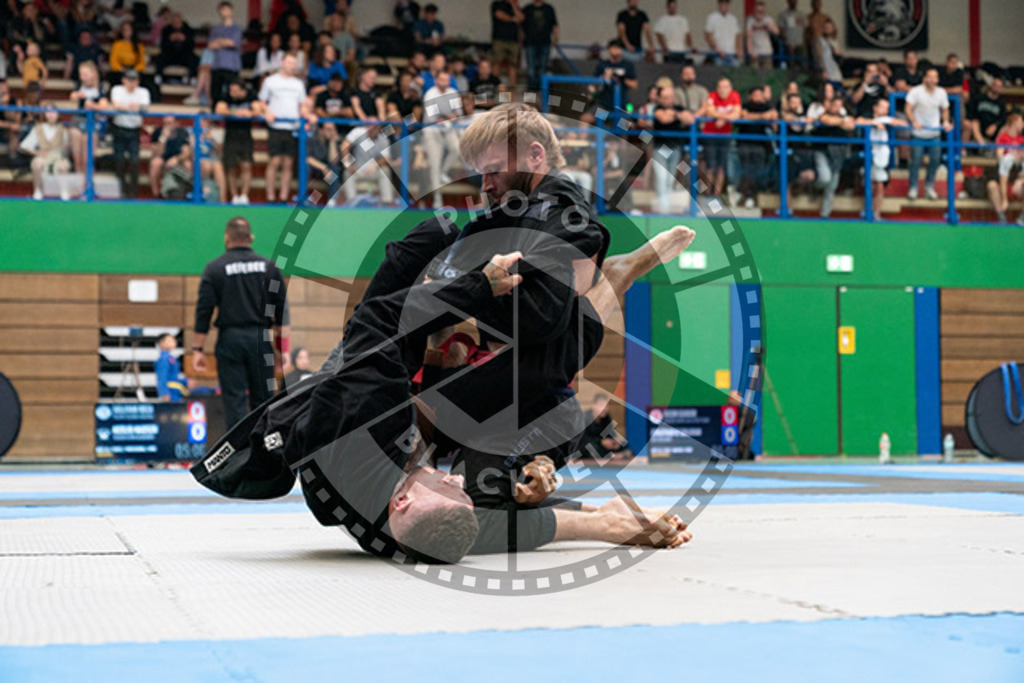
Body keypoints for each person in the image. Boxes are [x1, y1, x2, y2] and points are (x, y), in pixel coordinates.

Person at [193, 234, 693, 562]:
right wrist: (605, 523)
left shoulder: (355, 424)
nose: (454, 478)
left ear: (402, 500)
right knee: (546, 369)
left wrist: (477, 285)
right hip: (415, 418)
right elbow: (507, 526)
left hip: (366, 376)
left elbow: (378, 322)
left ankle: (456, 259)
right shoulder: (422, 522)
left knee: (423, 259)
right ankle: (620, 274)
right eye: (459, 491)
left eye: (447, 487)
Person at [192, 217, 290, 430]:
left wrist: (198, 349)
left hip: (230, 340)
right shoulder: (269, 267)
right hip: (260, 339)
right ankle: (264, 447)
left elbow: (203, 311)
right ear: (251, 238)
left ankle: (239, 449)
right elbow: (281, 313)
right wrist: (282, 350)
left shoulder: (215, 268)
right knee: (264, 401)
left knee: (234, 401)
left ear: (226, 238)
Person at [259, 53, 315, 203]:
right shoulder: (270, 81)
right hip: (275, 126)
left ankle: (283, 196)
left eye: (294, 63)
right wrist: (267, 111)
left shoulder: (298, 84)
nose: (292, 66)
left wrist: (308, 115)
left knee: (288, 163)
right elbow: (262, 101)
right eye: (289, 62)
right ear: (282, 63)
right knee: (274, 161)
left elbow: (302, 106)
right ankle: (270, 196)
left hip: (292, 127)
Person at [905, 68, 952, 201]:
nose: (932, 80)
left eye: (935, 77)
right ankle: (913, 187)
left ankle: (929, 186)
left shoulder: (941, 92)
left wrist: (946, 121)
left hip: (935, 133)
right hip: (918, 133)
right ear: (924, 78)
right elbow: (908, 108)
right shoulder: (916, 91)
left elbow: (945, 110)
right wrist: (913, 121)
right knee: (915, 161)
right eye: (930, 77)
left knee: (935, 160)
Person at [856, 97, 907, 218]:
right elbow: (857, 121)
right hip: (868, 154)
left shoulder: (887, 120)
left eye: (887, 108)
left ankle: (876, 213)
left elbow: (903, 123)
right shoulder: (868, 118)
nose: (885, 110)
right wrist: (874, 123)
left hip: (881, 157)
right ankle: (867, 210)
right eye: (883, 107)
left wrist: (892, 122)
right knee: (868, 183)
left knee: (879, 184)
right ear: (875, 107)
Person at [215, 79, 263, 205]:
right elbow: (219, 109)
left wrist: (249, 113)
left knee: (246, 165)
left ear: (243, 91)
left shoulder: (251, 95)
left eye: (235, 91)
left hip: (245, 136)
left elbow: (258, 110)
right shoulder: (226, 96)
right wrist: (235, 112)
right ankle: (234, 196)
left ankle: (244, 196)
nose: (232, 93)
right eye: (231, 90)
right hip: (230, 136)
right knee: (230, 167)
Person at [421, 71, 463, 206]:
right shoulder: (430, 94)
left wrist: (451, 117)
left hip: (448, 128)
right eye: (442, 80)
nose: (445, 83)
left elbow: (458, 113)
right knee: (434, 165)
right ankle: (437, 198)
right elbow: (433, 118)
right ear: (436, 81)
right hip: (432, 131)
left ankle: (443, 172)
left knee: (456, 148)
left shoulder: (453, 93)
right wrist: (447, 117)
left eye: (447, 80)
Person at [651, 86, 694, 213]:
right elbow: (663, 119)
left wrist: (674, 114)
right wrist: (677, 116)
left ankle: (666, 205)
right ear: (660, 98)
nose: (666, 100)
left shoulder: (679, 108)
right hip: (659, 148)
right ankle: (663, 208)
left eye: (669, 97)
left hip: (675, 148)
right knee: (662, 177)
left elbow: (690, 119)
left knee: (670, 179)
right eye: (664, 98)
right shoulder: (657, 108)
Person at [698, 77, 741, 197]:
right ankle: (707, 194)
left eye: (726, 87)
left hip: (725, 135)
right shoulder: (712, 96)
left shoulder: (735, 96)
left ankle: (716, 195)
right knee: (710, 165)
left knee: (721, 167)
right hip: (709, 135)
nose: (723, 90)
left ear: (730, 88)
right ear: (717, 88)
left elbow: (737, 114)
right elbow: (709, 112)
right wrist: (726, 116)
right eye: (720, 87)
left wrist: (722, 118)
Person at [109, 70, 149, 198]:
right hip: (119, 129)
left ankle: (133, 191)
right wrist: (130, 107)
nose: (132, 83)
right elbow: (116, 105)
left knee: (134, 160)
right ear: (124, 80)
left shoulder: (143, 92)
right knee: (119, 159)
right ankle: (120, 190)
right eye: (129, 80)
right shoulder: (117, 89)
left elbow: (144, 107)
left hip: (134, 130)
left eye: (134, 80)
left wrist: (132, 107)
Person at [813, 95, 855, 217]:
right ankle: (813, 188)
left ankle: (825, 214)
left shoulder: (843, 116)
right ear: (829, 105)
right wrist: (841, 122)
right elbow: (826, 120)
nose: (837, 108)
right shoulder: (823, 115)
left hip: (838, 154)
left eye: (839, 106)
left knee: (832, 185)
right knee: (825, 178)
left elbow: (851, 125)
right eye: (835, 105)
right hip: (822, 151)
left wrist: (841, 121)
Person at [736, 85, 777, 209]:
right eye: (756, 95)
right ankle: (746, 195)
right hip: (744, 143)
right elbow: (743, 115)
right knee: (746, 170)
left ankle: (752, 196)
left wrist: (765, 116)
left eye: (760, 95)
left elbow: (774, 121)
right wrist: (761, 117)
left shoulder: (767, 107)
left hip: (760, 145)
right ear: (750, 96)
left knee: (758, 172)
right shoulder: (744, 105)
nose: (758, 97)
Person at [19, 105, 71, 200]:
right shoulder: (38, 128)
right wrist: (37, 152)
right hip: (43, 157)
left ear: (58, 114)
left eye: (53, 112)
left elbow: (66, 147)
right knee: (37, 163)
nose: (51, 115)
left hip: (57, 157)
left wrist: (63, 152)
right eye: (48, 112)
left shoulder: (63, 129)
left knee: (63, 165)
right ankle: (38, 191)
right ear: (44, 114)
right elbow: (24, 145)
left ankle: (64, 191)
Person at [68, 60, 108, 173]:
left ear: (93, 74)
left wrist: (92, 105)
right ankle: (78, 177)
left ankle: (88, 181)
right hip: (78, 119)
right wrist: (77, 95)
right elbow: (72, 96)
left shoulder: (100, 88)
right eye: (81, 74)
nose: (82, 77)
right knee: (77, 156)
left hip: (92, 121)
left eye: (85, 74)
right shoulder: (79, 85)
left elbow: (104, 106)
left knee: (87, 158)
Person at [340, 124, 395, 205]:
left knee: (385, 170)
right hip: (357, 170)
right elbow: (344, 146)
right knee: (347, 173)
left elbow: (386, 158)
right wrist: (347, 163)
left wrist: (375, 165)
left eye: (375, 127)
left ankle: (386, 202)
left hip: (373, 171)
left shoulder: (383, 140)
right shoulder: (359, 133)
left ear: (379, 128)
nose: (372, 129)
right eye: (370, 126)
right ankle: (352, 202)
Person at [986, 114, 1024, 225]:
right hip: (1003, 172)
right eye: (1021, 121)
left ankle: (1022, 217)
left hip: (1017, 173)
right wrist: (1011, 156)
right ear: (1014, 123)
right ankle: (1002, 217)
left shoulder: (1022, 140)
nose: (1023, 124)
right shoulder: (1003, 137)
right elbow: (1000, 157)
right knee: (992, 185)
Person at [208, 1, 243, 105]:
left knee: (232, 94)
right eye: (222, 10)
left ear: (231, 11)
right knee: (215, 94)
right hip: (217, 65)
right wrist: (225, 42)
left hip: (232, 66)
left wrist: (219, 41)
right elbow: (211, 45)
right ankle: (214, 113)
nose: (225, 12)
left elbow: (232, 43)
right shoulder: (216, 29)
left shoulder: (237, 28)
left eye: (227, 9)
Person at [148, 115, 190, 198]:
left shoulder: (182, 133)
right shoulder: (158, 132)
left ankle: (187, 192)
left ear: (176, 123)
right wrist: (163, 138)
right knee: (155, 163)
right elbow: (156, 153)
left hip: (177, 159)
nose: (167, 126)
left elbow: (186, 153)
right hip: (162, 158)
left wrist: (176, 159)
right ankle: (156, 194)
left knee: (188, 164)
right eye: (165, 123)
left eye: (170, 123)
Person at [521, 0, 558, 92]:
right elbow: (521, 26)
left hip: (545, 42)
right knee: (531, 68)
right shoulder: (527, 9)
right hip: (530, 42)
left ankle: (541, 90)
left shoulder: (549, 9)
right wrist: (521, 38)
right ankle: (532, 89)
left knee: (543, 67)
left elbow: (554, 24)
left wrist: (555, 37)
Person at [580, 394, 631, 460]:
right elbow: (583, 439)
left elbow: (611, 433)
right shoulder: (584, 418)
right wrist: (601, 442)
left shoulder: (606, 418)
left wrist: (614, 442)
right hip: (587, 446)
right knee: (592, 447)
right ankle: (611, 457)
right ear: (594, 406)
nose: (604, 409)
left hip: (602, 446)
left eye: (606, 406)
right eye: (601, 405)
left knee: (624, 444)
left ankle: (612, 456)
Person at [593, 40, 637, 114]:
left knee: (625, 121)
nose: (616, 50)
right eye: (614, 48)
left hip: (622, 105)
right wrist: (604, 77)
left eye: (619, 48)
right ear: (609, 49)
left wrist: (621, 78)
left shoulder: (627, 65)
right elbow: (593, 84)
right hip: (604, 105)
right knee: (587, 118)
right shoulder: (602, 65)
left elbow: (634, 85)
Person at [967, 78, 1007, 146]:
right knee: (974, 123)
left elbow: (1003, 118)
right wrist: (976, 120)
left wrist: (995, 125)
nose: (996, 88)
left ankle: (996, 147)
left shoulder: (1001, 103)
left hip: (993, 129)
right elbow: (971, 113)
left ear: (1001, 89)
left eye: (999, 86)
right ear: (991, 85)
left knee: (1004, 128)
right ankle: (983, 145)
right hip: (979, 125)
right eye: (995, 85)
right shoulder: (979, 98)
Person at [491, 0, 522, 88]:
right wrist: (512, 19)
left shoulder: (516, 7)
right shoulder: (497, 4)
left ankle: (512, 87)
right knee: (497, 63)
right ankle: (494, 85)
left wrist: (513, 5)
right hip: (499, 39)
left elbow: (521, 18)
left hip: (513, 40)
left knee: (512, 65)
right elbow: (499, 15)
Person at [158, 13, 197, 81]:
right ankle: (159, 77)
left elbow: (192, 46)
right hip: (170, 54)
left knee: (193, 59)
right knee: (160, 58)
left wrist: (185, 39)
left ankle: (192, 78)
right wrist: (170, 39)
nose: (176, 23)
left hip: (184, 54)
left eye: (178, 21)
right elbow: (163, 46)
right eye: (175, 22)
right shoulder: (166, 30)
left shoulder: (188, 30)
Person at [704, 0, 741, 67]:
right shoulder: (712, 18)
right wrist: (717, 48)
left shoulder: (733, 19)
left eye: (726, 4)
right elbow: (708, 35)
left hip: (732, 53)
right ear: (719, 5)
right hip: (718, 54)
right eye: (722, 4)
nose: (724, 7)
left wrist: (739, 49)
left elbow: (738, 35)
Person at [745, 1, 778, 69]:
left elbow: (776, 31)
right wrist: (750, 52)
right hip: (755, 53)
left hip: (767, 52)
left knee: (767, 73)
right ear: (754, 11)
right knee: (754, 73)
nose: (759, 13)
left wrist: (767, 24)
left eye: (761, 11)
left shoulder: (768, 19)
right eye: (758, 11)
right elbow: (748, 37)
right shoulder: (750, 21)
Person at [155, 334, 188, 401]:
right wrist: (164, 392)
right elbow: (162, 376)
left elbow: (175, 377)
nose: (174, 342)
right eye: (170, 340)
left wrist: (186, 381)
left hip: (176, 391)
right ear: (162, 343)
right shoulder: (164, 359)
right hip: (170, 391)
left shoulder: (171, 358)